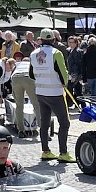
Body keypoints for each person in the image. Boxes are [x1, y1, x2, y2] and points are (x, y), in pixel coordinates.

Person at [29, 28, 74, 162]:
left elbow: (31, 74)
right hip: (55, 93)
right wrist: (65, 83)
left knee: (44, 122)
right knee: (64, 123)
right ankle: (63, 153)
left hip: (41, 92)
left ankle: (46, 151)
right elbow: (63, 73)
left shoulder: (33, 53)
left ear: (41, 40)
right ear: (54, 40)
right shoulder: (56, 53)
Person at [10, 51, 39, 137]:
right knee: (36, 105)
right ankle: (42, 130)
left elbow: (11, 75)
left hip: (16, 78)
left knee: (19, 106)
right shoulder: (32, 64)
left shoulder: (17, 64)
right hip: (28, 77)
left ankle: (21, 130)